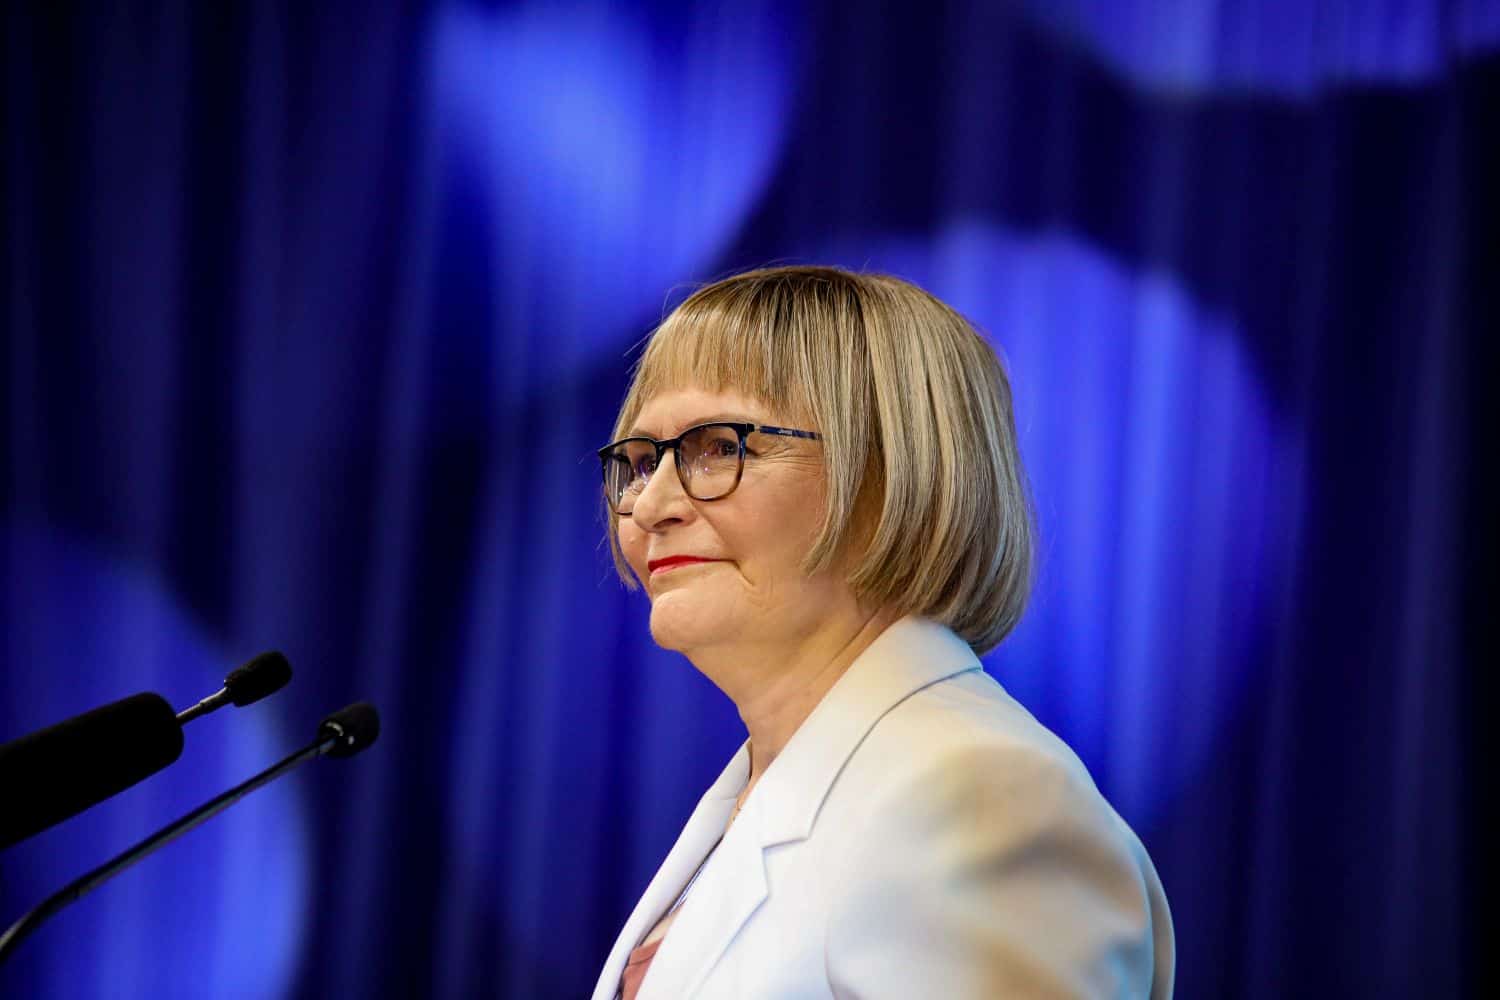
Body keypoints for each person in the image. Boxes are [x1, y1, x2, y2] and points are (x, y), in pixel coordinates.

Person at [589, 265, 1174, 999]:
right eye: (642, 462)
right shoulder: (768, 789)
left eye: (720, 447)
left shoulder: (982, 799)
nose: (650, 507)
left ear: (892, 473)